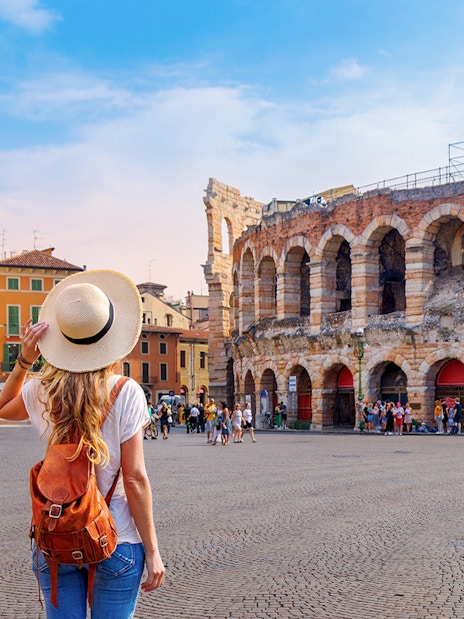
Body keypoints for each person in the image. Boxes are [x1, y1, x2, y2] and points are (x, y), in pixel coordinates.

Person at [0, 270, 165, 618]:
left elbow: (2, 407)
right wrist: (152, 551)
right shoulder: (125, 391)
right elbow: (134, 479)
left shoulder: (41, 389)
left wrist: (26, 359)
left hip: (57, 536)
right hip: (116, 538)